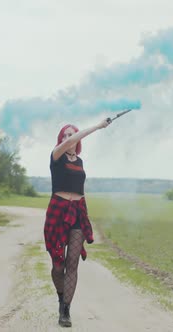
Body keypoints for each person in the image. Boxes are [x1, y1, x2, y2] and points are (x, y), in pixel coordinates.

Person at [43, 118, 110, 327]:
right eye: (65, 134)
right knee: (58, 264)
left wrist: (84, 212)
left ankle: (65, 310)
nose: (68, 137)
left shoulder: (79, 162)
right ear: (61, 139)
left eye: (71, 134)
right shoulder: (56, 156)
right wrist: (98, 126)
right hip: (58, 210)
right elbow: (72, 140)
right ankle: (60, 294)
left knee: (72, 262)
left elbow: (80, 189)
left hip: (77, 211)